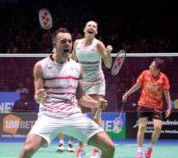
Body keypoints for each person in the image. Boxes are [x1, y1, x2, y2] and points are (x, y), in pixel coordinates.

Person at [19, 27, 115, 158]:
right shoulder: (41, 66)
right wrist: (40, 97)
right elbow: (37, 97)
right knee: (27, 150)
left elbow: (82, 98)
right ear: (55, 44)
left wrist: (97, 103)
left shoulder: (77, 67)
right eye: (63, 41)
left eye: (69, 41)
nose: (68, 44)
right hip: (49, 115)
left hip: (73, 115)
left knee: (109, 147)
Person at [69, 20, 113, 154]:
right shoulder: (77, 43)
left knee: (96, 113)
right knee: (80, 114)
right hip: (82, 82)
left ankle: (103, 146)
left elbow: (108, 64)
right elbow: (72, 60)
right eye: (89, 25)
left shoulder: (98, 45)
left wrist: (108, 53)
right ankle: (81, 148)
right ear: (84, 29)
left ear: (96, 32)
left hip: (97, 82)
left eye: (94, 26)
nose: (91, 28)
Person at [122, 58, 172, 158]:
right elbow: (137, 85)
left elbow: (166, 93)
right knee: (141, 127)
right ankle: (139, 152)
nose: (150, 66)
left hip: (156, 106)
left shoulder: (163, 78)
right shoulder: (145, 73)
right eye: (151, 64)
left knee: (158, 128)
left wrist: (169, 107)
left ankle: (150, 149)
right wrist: (127, 94)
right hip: (143, 104)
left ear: (158, 69)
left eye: (152, 66)